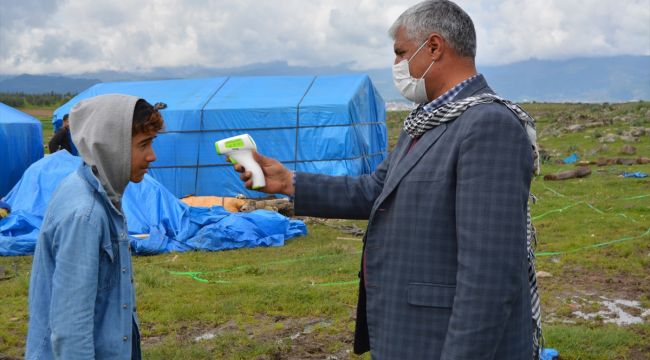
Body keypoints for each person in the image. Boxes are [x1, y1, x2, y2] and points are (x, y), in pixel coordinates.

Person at [233, 1, 542, 359]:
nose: (396, 66)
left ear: (434, 47)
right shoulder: (426, 123)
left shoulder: (488, 126)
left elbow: (489, 277)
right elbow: (375, 190)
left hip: (443, 339)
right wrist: (288, 182)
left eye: (400, 53)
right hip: (408, 334)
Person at [26, 94, 164, 359]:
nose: (152, 156)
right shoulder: (85, 214)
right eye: (144, 144)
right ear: (112, 146)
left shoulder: (101, 193)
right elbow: (71, 329)